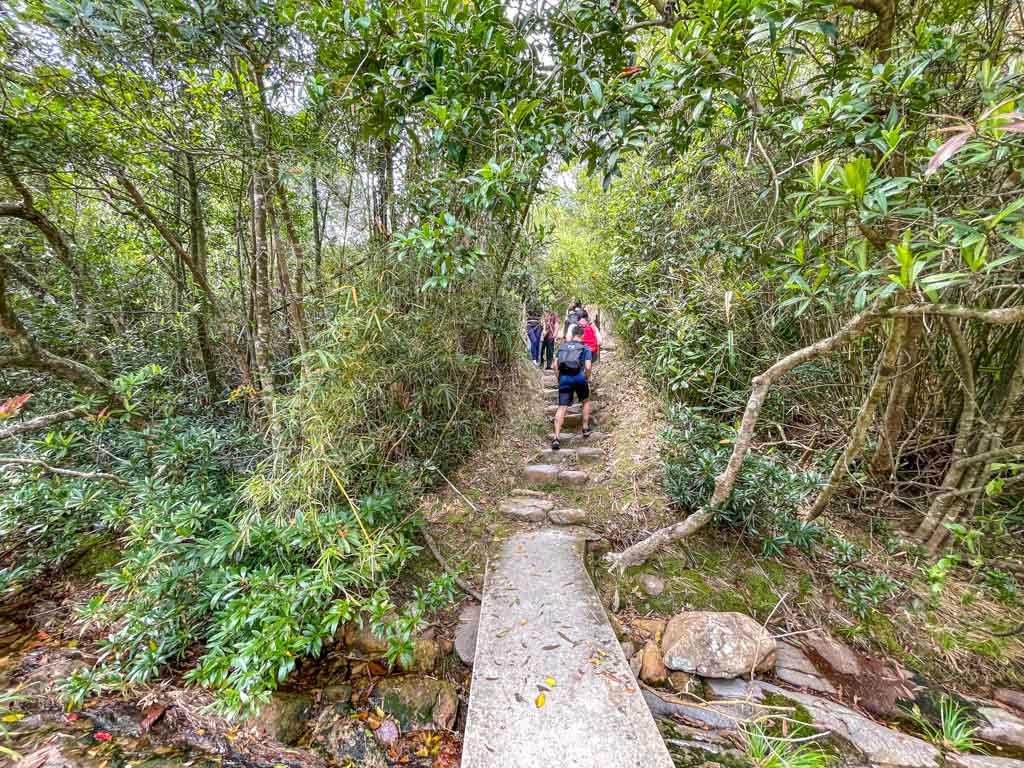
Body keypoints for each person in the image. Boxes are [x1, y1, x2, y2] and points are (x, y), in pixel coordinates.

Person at [551, 324, 593, 450]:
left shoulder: (562, 347)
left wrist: (559, 378)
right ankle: (585, 428)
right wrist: (587, 377)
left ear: (573, 334)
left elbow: (554, 365)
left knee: (562, 407)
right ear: (582, 335)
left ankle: (556, 437)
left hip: (564, 378)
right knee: (585, 401)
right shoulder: (585, 348)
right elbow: (588, 366)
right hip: (579, 377)